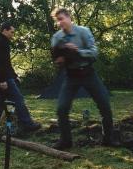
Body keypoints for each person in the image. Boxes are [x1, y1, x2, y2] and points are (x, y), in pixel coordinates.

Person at [50, 8, 119, 150]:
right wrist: (60, 60)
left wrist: (76, 51)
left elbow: (94, 53)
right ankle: (65, 141)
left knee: (105, 105)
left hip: (88, 73)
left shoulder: (83, 31)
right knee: (62, 108)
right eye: (57, 20)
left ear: (69, 17)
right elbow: (56, 60)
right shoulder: (56, 38)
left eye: (61, 18)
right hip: (71, 76)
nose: (59, 23)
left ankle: (108, 139)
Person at [0, 22, 41, 143]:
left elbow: (6, 63)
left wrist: (14, 76)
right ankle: (28, 124)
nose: (13, 34)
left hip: (3, 78)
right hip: (2, 79)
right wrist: (2, 80)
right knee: (18, 100)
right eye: (12, 32)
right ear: (4, 30)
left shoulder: (1, 41)